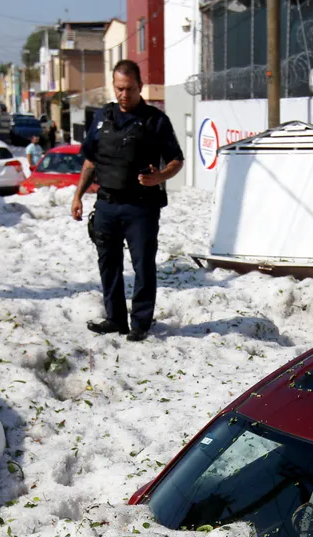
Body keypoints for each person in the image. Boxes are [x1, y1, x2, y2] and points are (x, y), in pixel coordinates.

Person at [72, 59, 183, 342]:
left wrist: (160, 177)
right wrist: (77, 196)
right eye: (119, 89)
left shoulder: (156, 120)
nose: (124, 94)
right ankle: (115, 319)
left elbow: (176, 159)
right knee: (108, 264)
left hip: (141, 207)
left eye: (130, 89)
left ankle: (140, 322)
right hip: (107, 204)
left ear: (140, 86)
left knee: (143, 265)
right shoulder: (102, 117)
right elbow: (90, 160)